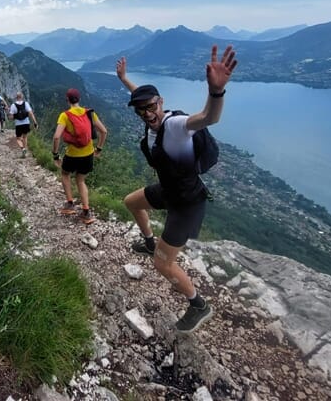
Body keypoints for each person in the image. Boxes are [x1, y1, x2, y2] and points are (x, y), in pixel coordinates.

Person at [115, 45, 237, 333]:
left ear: (162, 103)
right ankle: (148, 241)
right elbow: (142, 98)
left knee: (163, 264)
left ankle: (199, 305)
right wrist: (125, 80)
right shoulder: (151, 117)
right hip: (170, 190)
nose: (147, 113)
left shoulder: (176, 126)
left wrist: (216, 91)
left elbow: (208, 117)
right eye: (141, 109)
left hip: (187, 203)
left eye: (152, 106)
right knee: (131, 202)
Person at [52, 88, 108, 225]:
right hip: (88, 154)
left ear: (67, 100)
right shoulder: (89, 113)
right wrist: (99, 149)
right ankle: (86, 212)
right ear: (79, 99)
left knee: (65, 174)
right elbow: (104, 131)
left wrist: (55, 155)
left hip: (72, 155)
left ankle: (70, 204)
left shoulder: (64, 115)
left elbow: (56, 137)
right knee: (80, 180)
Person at [8, 92, 38, 157]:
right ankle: (25, 150)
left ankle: (23, 148)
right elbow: (31, 113)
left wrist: (13, 117)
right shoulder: (26, 103)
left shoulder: (13, 105)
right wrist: (35, 122)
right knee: (25, 137)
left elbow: (11, 117)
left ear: (16, 97)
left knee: (18, 138)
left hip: (18, 124)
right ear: (22, 97)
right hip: (26, 123)